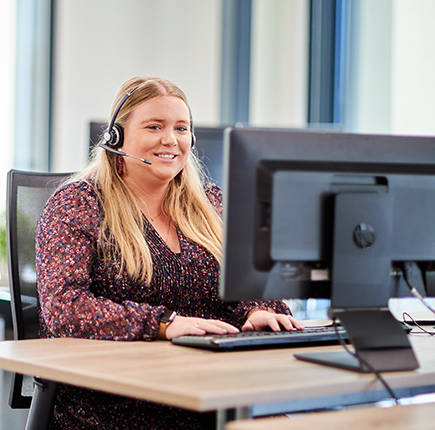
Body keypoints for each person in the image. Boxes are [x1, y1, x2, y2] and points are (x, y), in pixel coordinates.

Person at [35, 76, 304, 429]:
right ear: (116, 137)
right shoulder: (79, 204)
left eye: (181, 128)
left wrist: (259, 308)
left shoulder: (210, 203)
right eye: (154, 126)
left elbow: (253, 283)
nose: (170, 140)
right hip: (115, 403)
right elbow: (64, 309)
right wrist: (163, 324)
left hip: (211, 390)